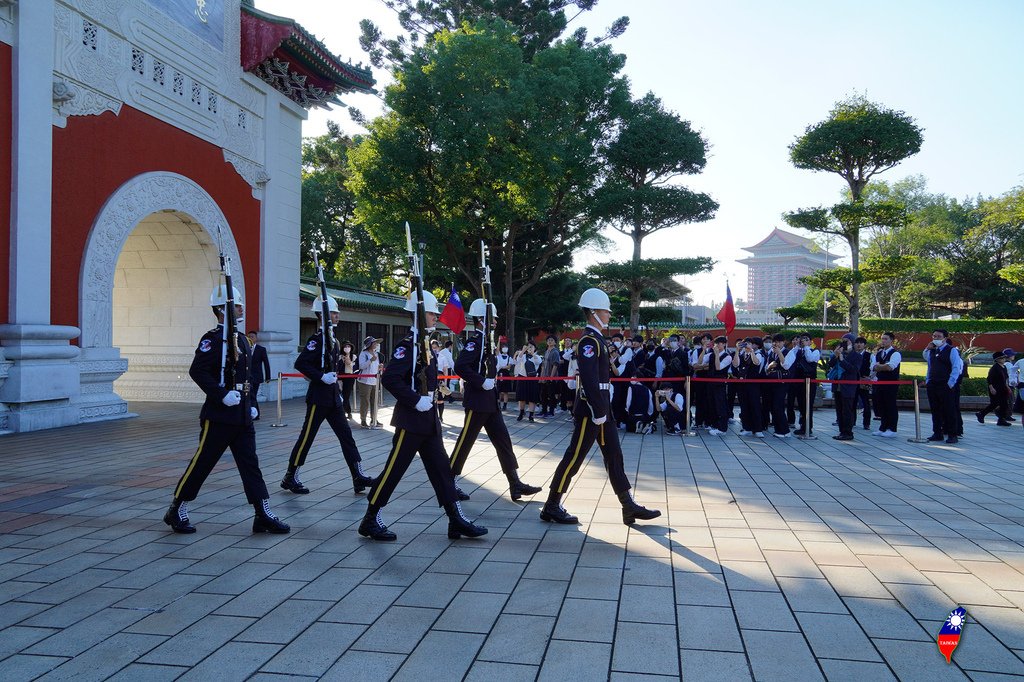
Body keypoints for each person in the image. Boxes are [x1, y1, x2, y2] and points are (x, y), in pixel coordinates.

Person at [359, 291, 487, 542]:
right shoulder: (408, 345)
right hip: (411, 420)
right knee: (393, 471)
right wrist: (415, 399)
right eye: (431, 312)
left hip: (428, 420)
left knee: (442, 470)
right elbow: (391, 378)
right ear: (418, 314)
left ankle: (456, 519)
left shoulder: (425, 343)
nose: (436, 316)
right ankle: (370, 518)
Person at [164, 285, 288, 535]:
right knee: (203, 463)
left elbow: (249, 377)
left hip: (241, 414)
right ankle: (177, 508)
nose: (242, 308)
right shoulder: (211, 339)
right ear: (222, 310)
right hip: (219, 415)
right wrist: (220, 394)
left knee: (250, 464)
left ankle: (262, 513)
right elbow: (197, 371)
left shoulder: (242, 339)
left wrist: (251, 404)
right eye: (237, 305)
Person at [543, 288, 661, 526]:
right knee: (574, 457)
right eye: (606, 311)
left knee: (614, 456)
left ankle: (628, 506)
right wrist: (598, 411)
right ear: (594, 312)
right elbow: (588, 378)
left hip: (601, 409)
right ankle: (551, 505)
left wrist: (603, 410)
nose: (609, 314)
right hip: (591, 410)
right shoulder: (588, 340)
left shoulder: (597, 340)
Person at [449, 298, 543, 502]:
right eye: (492, 319)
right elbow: (460, 367)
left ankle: (515, 483)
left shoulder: (488, 341)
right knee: (466, 442)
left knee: (503, 441)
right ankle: (448, 482)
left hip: (489, 401)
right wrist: (481, 381)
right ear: (481, 320)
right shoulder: (475, 341)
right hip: (477, 400)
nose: (495, 322)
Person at [282, 296, 373, 496]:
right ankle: (290, 476)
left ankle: (358, 476)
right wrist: (321, 376)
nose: (337, 315)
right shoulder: (317, 339)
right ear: (322, 315)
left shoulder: (334, 339)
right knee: (307, 437)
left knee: (347, 437)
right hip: (318, 398)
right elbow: (301, 364)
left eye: (337, 312)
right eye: (333, 312)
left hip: (333, 398)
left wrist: (337, 392)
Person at [924, 329, 963, 444]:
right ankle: (937, 433)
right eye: (934, 336)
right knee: (935, 409)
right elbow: (927, 360)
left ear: (945, 338)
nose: (936, 338)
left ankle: (952, 434)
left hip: (945, 384)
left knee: (949, 410)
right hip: (932, 383)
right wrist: (928, 347)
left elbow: (956, 367)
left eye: (939, 336)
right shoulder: (931, 350)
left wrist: (950, 383)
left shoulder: (951, 350)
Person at [831, 333, 864, 441]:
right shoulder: (839, 353)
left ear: (852, 342)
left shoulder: (857, 356)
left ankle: (848, 432)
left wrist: (842, 360)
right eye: (843, 341)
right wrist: (835, 355)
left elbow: (853, 370)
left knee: (847, 410)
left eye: (847, 341)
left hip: (849, 387)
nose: (844, 343)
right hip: (838, 385)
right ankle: (841, 431)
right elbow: (830, 365)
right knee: (839, 410)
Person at [787, 333, 820, 435]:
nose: (803, 341)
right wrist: (797, 346)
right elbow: (790, 357)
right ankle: (802, 426)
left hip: (810, 381)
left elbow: (810, 358)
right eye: (802, 339)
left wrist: (806, 347)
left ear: (810, 341)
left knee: (808, 405)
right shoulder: (798, 351)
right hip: (799, 381)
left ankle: (808, 427)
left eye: (806, 339)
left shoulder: (815, 351)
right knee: (801, 405)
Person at [870, 332, 901, 437]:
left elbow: (890, 367)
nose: (883, 341)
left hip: (891, 384)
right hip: (880, 382)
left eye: (886, 339)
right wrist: (880, 366)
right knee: (881, 405)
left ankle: (892, 429)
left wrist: (879, 366)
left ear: (891, 340)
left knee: (890, 405)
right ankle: (883, 427)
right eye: (882, 338)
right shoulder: (878, 353)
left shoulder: (895, 354)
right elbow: (872, 367)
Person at [734, 337, 765, 437]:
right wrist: (737, 351)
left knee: (755, 406)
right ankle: (746, 427)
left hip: (753, 384)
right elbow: (735, 364)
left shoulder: (758, 354)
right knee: (744, 406)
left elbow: (757, 362)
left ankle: (758, 429)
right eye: (745, 343)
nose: (746, 345)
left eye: (748, 343)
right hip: (742, 384)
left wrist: (751, 351)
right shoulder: (742, 354)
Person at [764, 333, 794, 438]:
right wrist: (770, 366)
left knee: (778, 406)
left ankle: (784, 430)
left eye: (778, 342)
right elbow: (766, 368)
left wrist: (779, 353)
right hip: (772, 382)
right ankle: (778, 429)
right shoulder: (771, 353)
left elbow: (786, 365)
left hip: (782, 383)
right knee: (773, 406)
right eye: (774, 342)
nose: (775, 344)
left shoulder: (789, 352)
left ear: (783, 342)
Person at [977, 351, 1012, 426]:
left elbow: (1005, 378)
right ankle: (981, 414)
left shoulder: (1004, 367)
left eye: (1004, 357)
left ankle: (1001, 420)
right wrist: (991, 388)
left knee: (1004, 404)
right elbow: (989, 379)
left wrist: (1007, 387)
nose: (1004, 359)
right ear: (997, 359)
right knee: (995, 403)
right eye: (1002, 358)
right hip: (996, 388)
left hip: (1003, 389)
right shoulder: (994, 368)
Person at [707, 336, 732, 436]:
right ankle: (715, 424)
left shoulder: (728, 356)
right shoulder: (711, 355)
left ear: (724, 344)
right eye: (716, 343)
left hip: (720, 384)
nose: (718, 345)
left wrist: (717, 354)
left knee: (720, 405)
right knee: (712, 404)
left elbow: (718, 367)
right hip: (710, 383)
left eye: (720, 343)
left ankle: (722, 428)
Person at [357, 336, 382, 429]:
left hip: (374, 380)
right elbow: (361, 366)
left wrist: (379, 366)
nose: (376, 344)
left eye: (376, 342)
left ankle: (374, 418)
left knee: (374, 401)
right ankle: (363, 419)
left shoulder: (376, 353)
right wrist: (371, 360)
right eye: (374, 342)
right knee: (365, 401)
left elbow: (376, 366)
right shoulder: (363, 353)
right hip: (365, 381)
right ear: (370, 344)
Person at [514, 342, 541, 421]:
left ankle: (531, 415)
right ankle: (521, 413)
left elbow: (538, 362)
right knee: (521, 397)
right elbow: (518, 360)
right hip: (522, 377)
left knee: (532, 398)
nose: (529, 348)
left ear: (535, 348)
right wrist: (523, 350)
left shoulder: (537, 357)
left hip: (532, 379)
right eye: (528, 347)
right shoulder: (523, 356)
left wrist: (533, 354)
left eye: (531, 347)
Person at [246, 331, 271, 420]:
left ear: (256, 338)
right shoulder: (245, 348)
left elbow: (266, 363)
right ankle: (255, 414)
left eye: (252, 336)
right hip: (247, 377)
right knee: (250, 395)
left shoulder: (261, 349)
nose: (250, 338)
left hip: (256, 376)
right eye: (248, 336)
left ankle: (254, 414)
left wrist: (268, 377)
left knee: (253, 394)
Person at [624, 370, 657, 434]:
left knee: (630, 429)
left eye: (634, 376)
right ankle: (646, 426)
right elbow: (651, 405)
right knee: (644, 423)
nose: (632, 378)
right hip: (644, 415)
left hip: (633, 414)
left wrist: (628, 410)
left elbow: (628, 401)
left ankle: (638, 426)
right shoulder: (647, 389)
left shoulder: (631, 388)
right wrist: (649, 414)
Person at [539, 335, 562, 418]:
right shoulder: (547, 351)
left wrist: (551, 378)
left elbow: (555, 365)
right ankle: (544, 410)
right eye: (548, 340)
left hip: (551, 377)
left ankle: (551, 411)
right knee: (543, 394)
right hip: (544, 377)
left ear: (555, 342)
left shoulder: (555, 352)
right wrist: (541, 377)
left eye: (552, 340)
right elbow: (543, 365)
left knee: (551, 395)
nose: (550, 341)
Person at [338, 340, 358, 419]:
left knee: (346, 395)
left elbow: (354, 367)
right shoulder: (339, 356)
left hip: (349, 377)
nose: (347, 348)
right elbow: (338, 367)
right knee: (341, 394)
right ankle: (346, 411)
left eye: (348, 346)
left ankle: (346, 412)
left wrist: (348, 360)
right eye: (345, 347)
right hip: (341, 377)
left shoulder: (354, 356)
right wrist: (342, 360)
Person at [496, 339, 514, 410]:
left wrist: (502, 366)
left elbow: (509, 366)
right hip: (499, 373)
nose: (504, 348)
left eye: (506, 347)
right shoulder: (499, 356)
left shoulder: (509, 357)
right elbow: (497, 350)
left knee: (506, 391)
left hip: (506, 373)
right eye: (503, 347)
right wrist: (499, 341)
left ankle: (505, 405)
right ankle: (499, 404)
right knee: (499, 390)